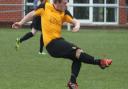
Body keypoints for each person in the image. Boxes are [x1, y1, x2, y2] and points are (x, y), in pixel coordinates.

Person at [12, 0, 112, 89]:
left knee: (78, 57)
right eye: (64, 2)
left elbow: (75, 20)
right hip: (52, 44)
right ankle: (100, 62)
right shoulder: (45, 6)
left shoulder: (64, 12)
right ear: (57, 2)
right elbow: (32, 14)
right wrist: (21, 23)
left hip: (58, 41)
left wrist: (77, 25)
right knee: (78, 52)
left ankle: (72, 82)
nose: (66, 4)